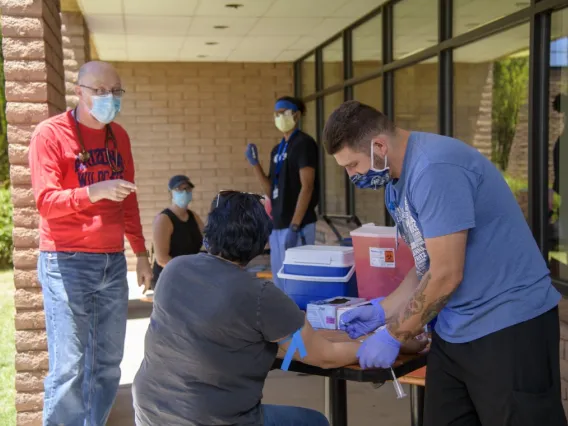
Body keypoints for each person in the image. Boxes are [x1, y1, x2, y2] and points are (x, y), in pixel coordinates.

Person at [323, 100, 566, 426]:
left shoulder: (435, 169)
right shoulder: (395, 182)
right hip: (456, 331)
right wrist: (383, 309)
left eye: (352, 164)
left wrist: (394, 334)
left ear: (378, 146)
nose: (351, 175)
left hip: (510, 326)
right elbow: (427, 265)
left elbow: (447, 273)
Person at [132, 190, 428, 425]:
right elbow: (324, 357)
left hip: (150, 412)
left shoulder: (174, 269)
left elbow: (234, 334)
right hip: (212, 419)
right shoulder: (260, 294)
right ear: (261, 242)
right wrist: (391, 341)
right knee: (315, 422)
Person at [29, 61, 152, 426]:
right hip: (65, 261)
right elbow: (46, 203)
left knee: (106, 365)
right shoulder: (50, 135)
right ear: (79, 91)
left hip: (112, 263)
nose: (108, 98)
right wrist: (92, 192)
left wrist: (141, 254)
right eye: (99, 91)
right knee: (69, 367)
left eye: (115, 90)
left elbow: (128, 200)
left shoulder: (120, 137)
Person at [245, 97, 319, 291]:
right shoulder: (277, 150)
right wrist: (255, 165)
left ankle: (302, 320)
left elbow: (307, 186)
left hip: (298, 225)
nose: (279, 117)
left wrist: (295, 225)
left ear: (296, 114)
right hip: (277, 224)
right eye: (276, 113)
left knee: (299, 281)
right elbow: (271, 190)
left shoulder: (304, 143)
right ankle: (284, 321)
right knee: (280, 282)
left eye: (283, 112)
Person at [151, 175, 204, 290]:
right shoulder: (164, 219)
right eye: (179, 189)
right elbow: (162, 259)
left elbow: (208, 240)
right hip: (169, 279)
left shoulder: (193, 216)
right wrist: (188, 274)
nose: (184, 192)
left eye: (187, 189)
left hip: (189, 276)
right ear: (171, 193)